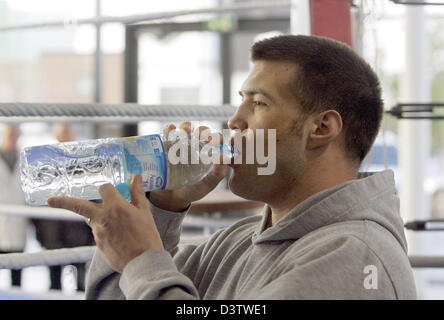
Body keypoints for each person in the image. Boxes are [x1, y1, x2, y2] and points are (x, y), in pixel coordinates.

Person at [48, 35, 417, 299]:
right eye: (241, 102)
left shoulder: (353, 256)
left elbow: (146, 278)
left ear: (321, 129)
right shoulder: (233, 244)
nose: (234, 122)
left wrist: (142, 260)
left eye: (257, 104)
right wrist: (163, 205)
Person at [32, 124, 94, 291]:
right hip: (52, 232)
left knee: (81, 283)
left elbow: (93, 196)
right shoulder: (43, 164)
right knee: (54, 283)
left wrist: (91, 232)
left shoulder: (84, 163)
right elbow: (36, 197)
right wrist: (40, 232)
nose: (65, 137)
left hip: (78, 232)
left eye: (68, 132)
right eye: (62, 133)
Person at [0, 124, 28, 287]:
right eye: (9, 133)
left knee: (17, 281)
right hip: (2, 224)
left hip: (18, 228)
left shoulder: (25, 160)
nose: (12, 137)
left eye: (15, 134)